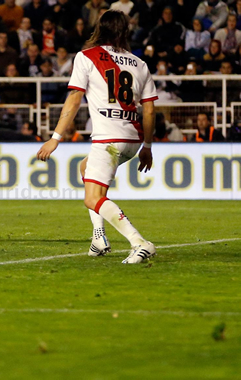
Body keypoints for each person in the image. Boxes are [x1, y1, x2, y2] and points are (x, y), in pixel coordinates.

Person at [36, 10, 158, 264]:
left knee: (92, 198)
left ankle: (139, 242)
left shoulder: (86, 57)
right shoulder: (140, 64)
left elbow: (74, 98)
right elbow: (149, 110)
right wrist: (147, 146)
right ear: (125, 31)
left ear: (99, 29)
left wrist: (56, 137)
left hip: (108, 139)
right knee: (85, 167)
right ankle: (98, 236)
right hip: (132, 140)